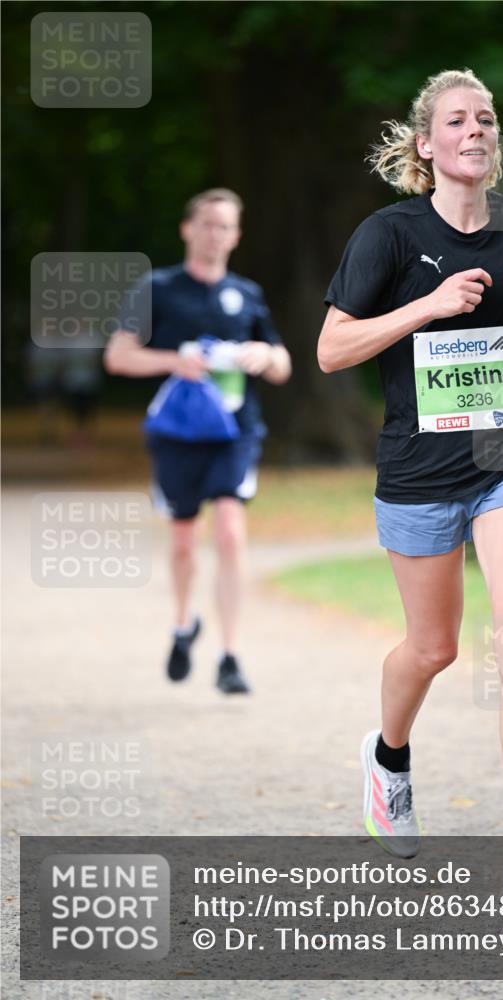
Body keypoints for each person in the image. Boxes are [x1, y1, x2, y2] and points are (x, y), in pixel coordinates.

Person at [319, 68, 503, 895]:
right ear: (427, 145)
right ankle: (388, 756)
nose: (476, 130)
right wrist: (424, 308)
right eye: (458, 121)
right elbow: (331, 348)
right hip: (418, 468)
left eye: (487, 119)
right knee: (432, 647)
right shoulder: (388, 236)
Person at [105, 188, 291, 693]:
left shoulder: (247, 294)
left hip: (235, 431)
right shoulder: (158, 288)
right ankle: (184, 623)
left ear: (236, 235)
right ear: (188, 229)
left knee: (230, 531)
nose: (216, 234)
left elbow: (283, 364)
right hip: (178, 434)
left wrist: (261, 354)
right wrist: (174, 362)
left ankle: (230, 655)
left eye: (226, 226)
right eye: (207, 224)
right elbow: (118, 357)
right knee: (184, 541)